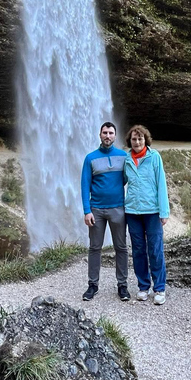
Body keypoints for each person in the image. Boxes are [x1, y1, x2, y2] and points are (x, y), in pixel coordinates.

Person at [80, 122, 130, 301]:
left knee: (121, 247)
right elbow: (85, 185)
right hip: (96, 210)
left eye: (110, 133)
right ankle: (92, 285)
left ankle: (122, 285)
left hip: (118, 208)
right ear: (99, 135)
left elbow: (126, 179)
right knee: (94, 247)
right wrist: (87, 210)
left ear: (115, 136)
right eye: (104, 133)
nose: (107, 136)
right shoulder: (90, 158)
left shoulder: (124, 156)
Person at [123, 125, 170, 305]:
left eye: (140, 139)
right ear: (130, 141)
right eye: (134, 139)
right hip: (132, 211)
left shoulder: (154, 157)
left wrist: (164, 212)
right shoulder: (126, 160)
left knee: (155, 249)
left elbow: (161, 184)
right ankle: (143, 286)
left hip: (152, 211)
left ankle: (159, 288)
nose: (137, 142)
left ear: (146, 140)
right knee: (138, 250)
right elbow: (120, 182)